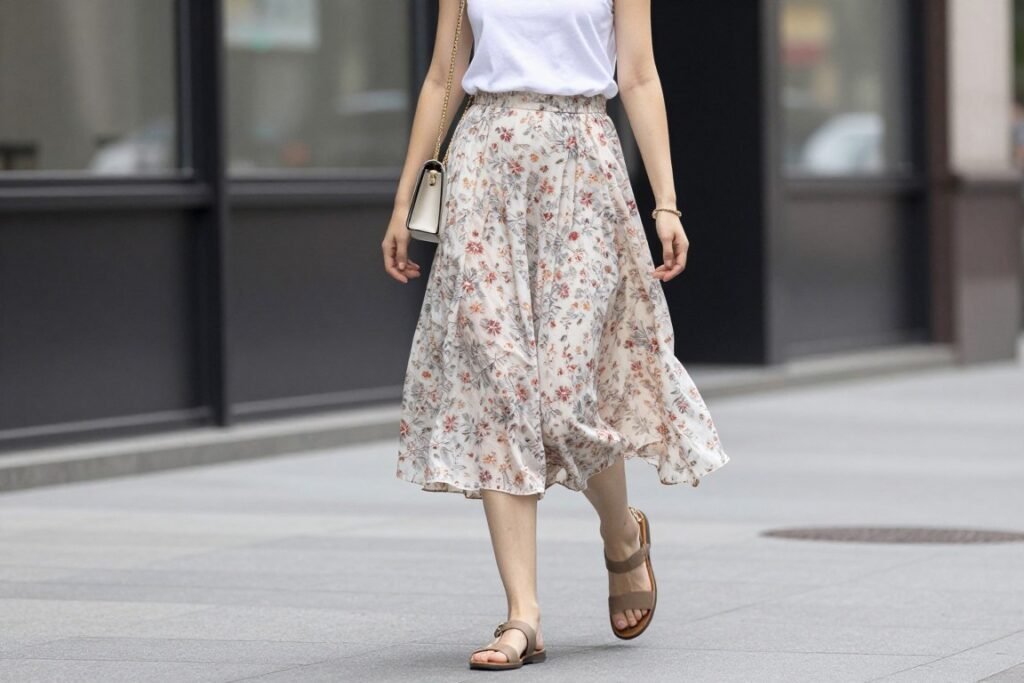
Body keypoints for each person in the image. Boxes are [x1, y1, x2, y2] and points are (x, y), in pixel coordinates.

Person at [382, 0, 731, 671]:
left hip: (583, 167)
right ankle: (524, 615)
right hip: (484, 168)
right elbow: (441, 78)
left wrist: (665, 202)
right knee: (500, 383)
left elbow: (638, 76)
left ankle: (621, 531)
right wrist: (404, 201)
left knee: (568, 393)